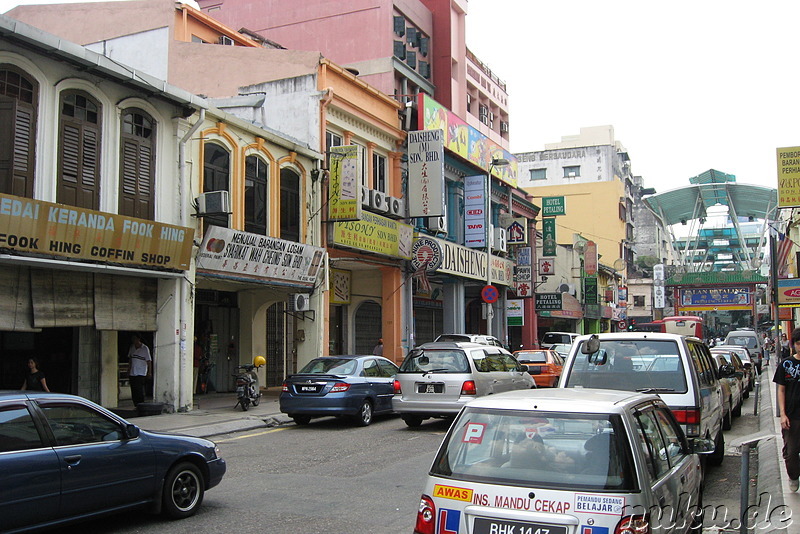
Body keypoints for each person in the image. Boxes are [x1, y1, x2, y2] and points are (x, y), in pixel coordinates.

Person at [774, 327, 800, 492]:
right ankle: (794, 476)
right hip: (792, 416)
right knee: (791, 453)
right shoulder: (786, 364)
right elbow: (781, 390)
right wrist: (782, 414)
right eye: (799, 343)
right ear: (794, 345)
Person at [127, 333, 152, 406]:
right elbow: (130, 359)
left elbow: (149, 361)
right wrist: (129, 369)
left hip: (141, 372)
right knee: (133, 389)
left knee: (139, 389)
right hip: (133, 371)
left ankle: (141, 404)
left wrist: (149, 372)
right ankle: (135, 403)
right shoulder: (132, 347)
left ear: (138, 339)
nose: (133, 340)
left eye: (135, 339)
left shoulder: (144, 348)